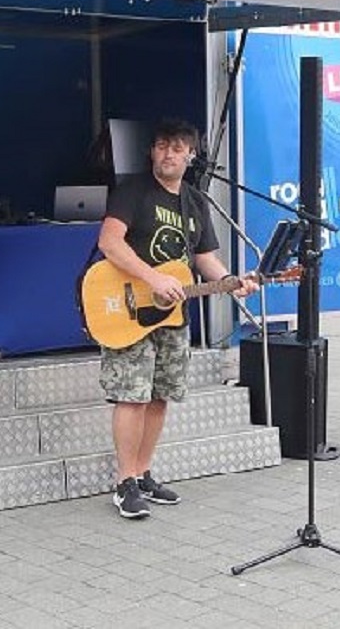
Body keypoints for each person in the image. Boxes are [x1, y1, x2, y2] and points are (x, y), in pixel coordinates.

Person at [96, 118, 259, 519]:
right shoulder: (133, 191)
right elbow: (109, 242)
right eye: (162, 145)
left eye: (177, 147)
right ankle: (124, 482)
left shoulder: (194, 201)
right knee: (131, 397)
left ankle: (143, 472)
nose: (168, 153)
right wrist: (152, 277)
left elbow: (202, 257)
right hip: (130, 311)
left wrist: (228, 281)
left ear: (191, 155)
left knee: (159, 396)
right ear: (151, 152)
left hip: (172, 317)